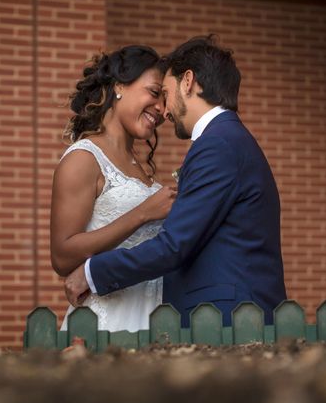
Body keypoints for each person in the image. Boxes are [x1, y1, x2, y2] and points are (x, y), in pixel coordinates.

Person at [65, 35, 287, 327]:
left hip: (229, 317)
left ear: (188, 82)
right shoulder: (228, 139)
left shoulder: (217, 144)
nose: (165, 112)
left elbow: (174, 246)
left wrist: (93, 272)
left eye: (165, 94)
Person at [51, 45, 177, 332]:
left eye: (165, 100)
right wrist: (142, 213)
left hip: (154, 319)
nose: (162, 110)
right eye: (155, 93)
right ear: (120, 85)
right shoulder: (84, 158)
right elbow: (62, 256)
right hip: (107, 323)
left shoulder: (141, 166)